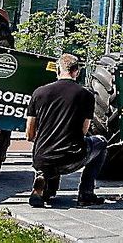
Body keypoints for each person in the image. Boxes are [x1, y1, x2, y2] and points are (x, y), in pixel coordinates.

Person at [26, 53, 108, 208]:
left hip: (42, 158)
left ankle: (44, 183)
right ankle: (86, 193)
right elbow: (84, 131)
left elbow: (29, 133)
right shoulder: (86, 95)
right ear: (77, 71)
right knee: (101, 142)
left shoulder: (39, 92)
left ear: (58, 69)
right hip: (71, 157)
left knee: (46, 149)